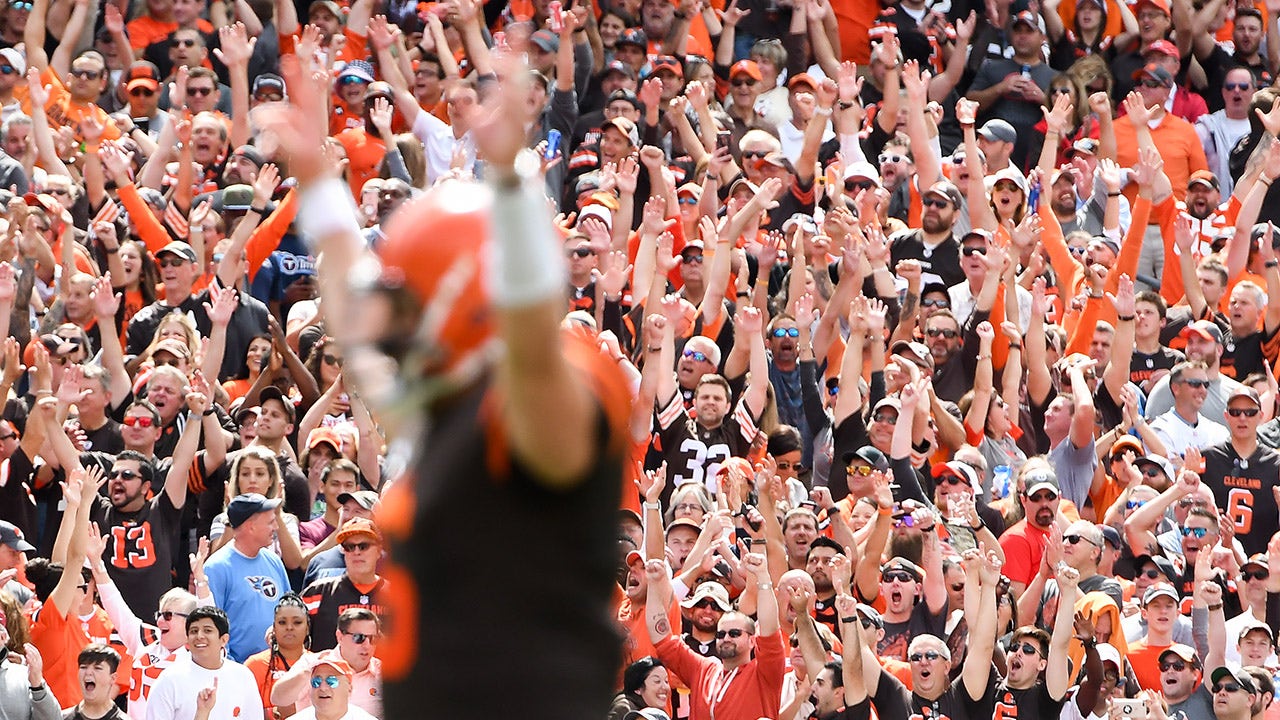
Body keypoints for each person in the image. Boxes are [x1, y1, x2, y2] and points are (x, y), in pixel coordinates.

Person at [200, 494, 291, 663]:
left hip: (278, 668)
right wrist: (232, 670)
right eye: (270, 522)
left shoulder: (274, 560)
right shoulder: (217, 567)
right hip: (239, 671)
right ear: (251, 526)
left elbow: (290, 608)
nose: (276, 527)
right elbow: (211, 625)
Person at [144, 606, 263, 720]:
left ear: (224, 639)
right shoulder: (169, 679)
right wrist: (202, 713)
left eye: (207, 630)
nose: (199, 636)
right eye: (194, 631)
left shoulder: (242, 675)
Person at [61, 644, 126, 720]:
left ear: (113, 678)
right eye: (83, 667)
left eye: (97, 668)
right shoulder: (61, 717)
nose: (88, 672)